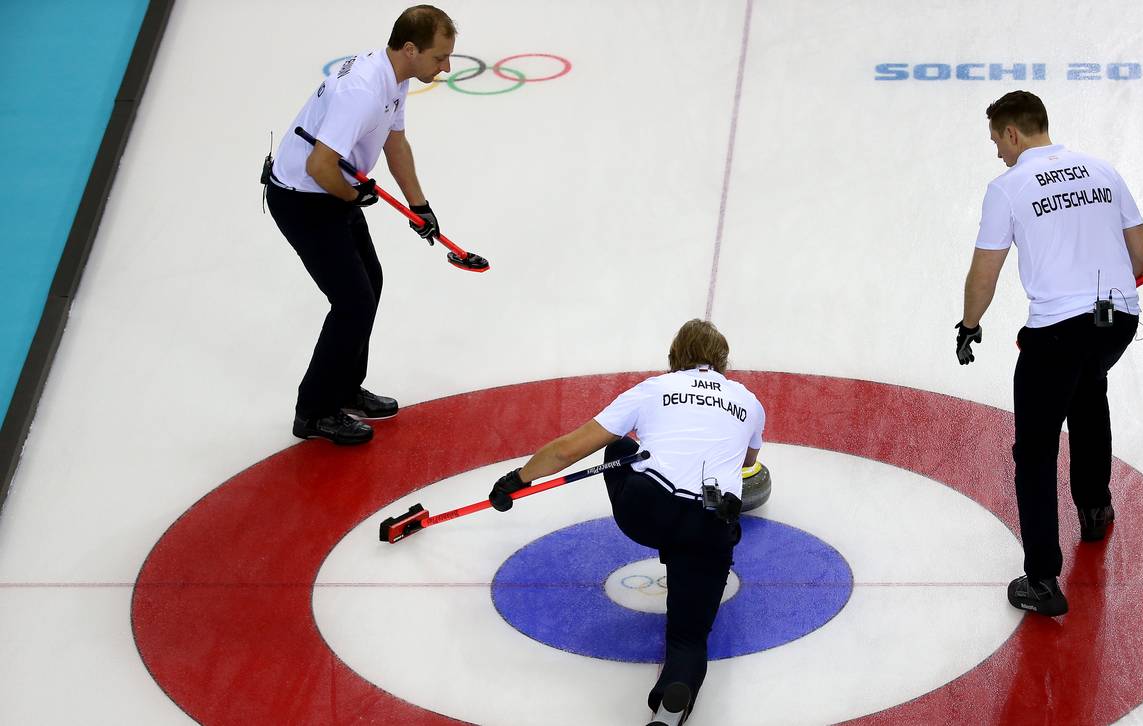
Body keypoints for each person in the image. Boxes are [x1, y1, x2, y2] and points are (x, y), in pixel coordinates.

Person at [489, 319, 767, 725]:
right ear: (723, 362)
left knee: (620, 445)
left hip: (647, 509)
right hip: (710, 523)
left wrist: (518, 480)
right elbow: (748, 462)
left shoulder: (653, 389)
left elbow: (569, 450)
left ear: (674, 359)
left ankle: (666, 537)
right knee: (689, 637)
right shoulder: (748, 401)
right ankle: (674, 700)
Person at [956, 90, 1143, 616]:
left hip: (1057, 330)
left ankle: (1042, 578)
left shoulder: (1009, 186)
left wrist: (970, 324)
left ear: (1013, 132)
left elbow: (984, 272)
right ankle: (1094, 507)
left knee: (1036, 450)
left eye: (997, 139)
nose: (997, 151)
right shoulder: (1103, 170)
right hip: (1116, 320)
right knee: (1089, 392)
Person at [264, 5, 455, 445]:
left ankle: (345, 388)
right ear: (410, 49)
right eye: (439, 57)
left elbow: (395, 140)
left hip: (332, 191)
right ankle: (314, 411)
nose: (444, 67)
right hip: (305, 199)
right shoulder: (364, 90)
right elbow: (319, 165)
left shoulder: (395, 77)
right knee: (351, 302)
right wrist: (354, 196)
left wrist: (419, 205)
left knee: (370, 283)